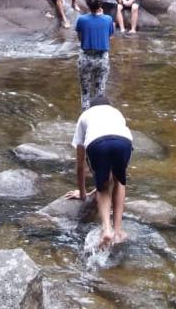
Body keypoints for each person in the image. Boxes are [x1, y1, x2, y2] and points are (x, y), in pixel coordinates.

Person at [65, 96, 133, 250]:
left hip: (98, 143)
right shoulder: (117, 113)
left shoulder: (85, 116)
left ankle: (106, 229)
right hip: (124, 142)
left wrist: (83, 194)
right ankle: (118, 231)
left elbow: (81, 166)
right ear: (109, 106)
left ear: (91, 108)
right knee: (119, 181)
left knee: (102, 187)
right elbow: (116, 175)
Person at [74, 0, 115, 110]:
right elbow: (109, 36)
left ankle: (85, 117)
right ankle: (99, 117)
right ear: (100, 4)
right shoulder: (108, 19)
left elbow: (80, 38)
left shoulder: (82, 19)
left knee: (85, 93)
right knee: (100, 93)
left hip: (86, 59)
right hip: (102, 59)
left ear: (87, 4)